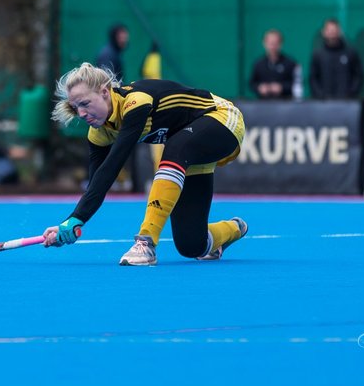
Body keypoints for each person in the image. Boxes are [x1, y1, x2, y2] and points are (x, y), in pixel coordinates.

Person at [42, 62, 248, 267]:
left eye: (85, 104)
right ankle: (233, 229)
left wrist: (77, 218)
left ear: (105, 92)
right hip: (190, 145)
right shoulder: (99, 133)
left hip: (222, 119)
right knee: (192, 245)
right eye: (75, 107)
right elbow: (98, 182)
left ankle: (146, 242)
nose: (81, 114)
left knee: (174, 149)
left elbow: (114, 163)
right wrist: (72, 222)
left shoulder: (136, 102)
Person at [309, 18, 363, 99]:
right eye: (329, 30)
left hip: (347, 102)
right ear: (324, 32)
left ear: (339, 32)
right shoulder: (318, 54)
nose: (332, 33)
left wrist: (351, 94)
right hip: (324, 103)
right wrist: (320, 95)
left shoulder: (350, 53)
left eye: (334, 30)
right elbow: (313, 78)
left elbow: (358, 76)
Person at [248, 29, 303, 100]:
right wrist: (260, 87)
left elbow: (297, 84)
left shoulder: (290, 63)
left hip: (285, 104)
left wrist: (281, 87)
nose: (272, 46)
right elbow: (252, 83)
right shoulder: (258, 64)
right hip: (263, 104)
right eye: (270, 43)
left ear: (281, 44)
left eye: (275, 43)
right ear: (264, 43)